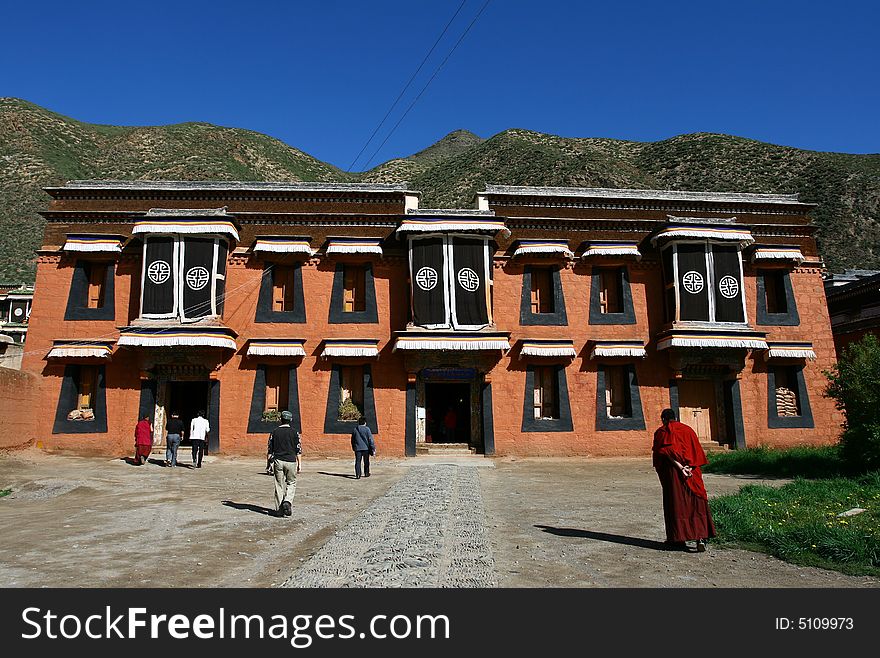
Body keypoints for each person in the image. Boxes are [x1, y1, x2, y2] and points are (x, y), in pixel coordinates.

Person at [651, 408, 717, 552]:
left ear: (663, 419)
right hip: (692, 473)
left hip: (674, 474)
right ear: (676, 417)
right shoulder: (688, 430)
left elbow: (665, 453)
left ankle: (678, 539)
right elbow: (697, 452)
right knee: (696, 502)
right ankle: (701, 537)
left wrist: (680, 468)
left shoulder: (662, 432)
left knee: (677, 503)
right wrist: (690, 467)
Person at [267, 410, 301, 517]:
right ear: (290, 420)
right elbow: (298, 449)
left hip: (278, 461)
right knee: (291, 482)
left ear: (280, 419)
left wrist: (268, 465)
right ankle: (287, 501)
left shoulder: (274, 432)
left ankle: (280, 510)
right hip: (291, 460)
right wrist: (300, 464)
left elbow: (269, 450)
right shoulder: (295, 432)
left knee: (278, 484)